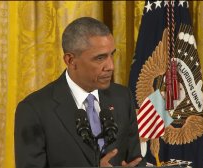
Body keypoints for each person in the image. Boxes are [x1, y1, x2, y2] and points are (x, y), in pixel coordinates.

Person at [14, 17, 145, 167]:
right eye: (100, 58)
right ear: (71, 61)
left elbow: (136, 161)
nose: (110, 66)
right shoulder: (34, 110)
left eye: (112, 55)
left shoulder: (122, 97)